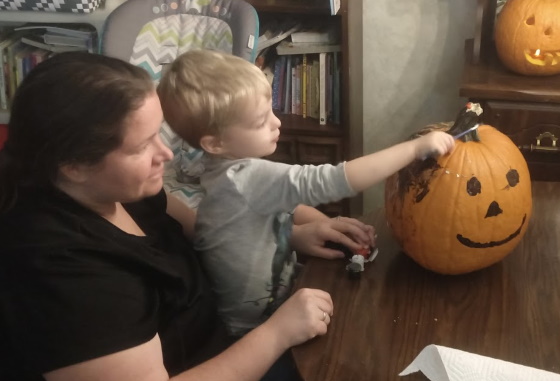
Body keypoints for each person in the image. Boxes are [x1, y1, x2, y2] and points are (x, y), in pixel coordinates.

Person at [0, 51, 374, 381]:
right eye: (140, 147)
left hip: (216, 342)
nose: (166, 155)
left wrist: (287, 234)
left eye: (159, 133)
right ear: (74, 164)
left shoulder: (114, 190)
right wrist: (278, 333)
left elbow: (201, 227)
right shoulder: (58, 271)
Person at [156, 49, 455, 336]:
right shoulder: (246, 177)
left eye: (271, 109)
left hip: (265, 304)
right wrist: (414, 149)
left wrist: (298, 233)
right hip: (257, 327)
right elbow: (334, 180)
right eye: (261, 121)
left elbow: (252, 225)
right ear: (215, 143)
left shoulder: (219, 169)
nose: (277, 123)